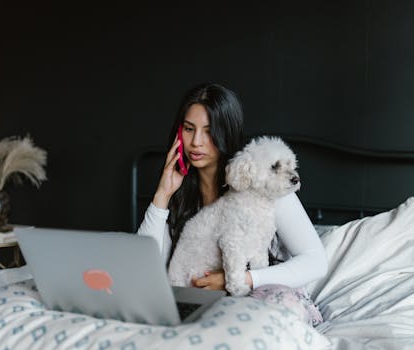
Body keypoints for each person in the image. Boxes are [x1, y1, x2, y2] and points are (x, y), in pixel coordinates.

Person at [137, 83, 328, 326]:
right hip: (202, 304)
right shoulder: (178, 191)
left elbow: (315, 260)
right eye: (188, 129)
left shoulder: (266, 181)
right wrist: (162, 194)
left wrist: (242, 278)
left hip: (260, 295)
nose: (196, 142)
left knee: (277, 312)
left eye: (209, 131)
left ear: (226, 133)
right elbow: (146, 268)